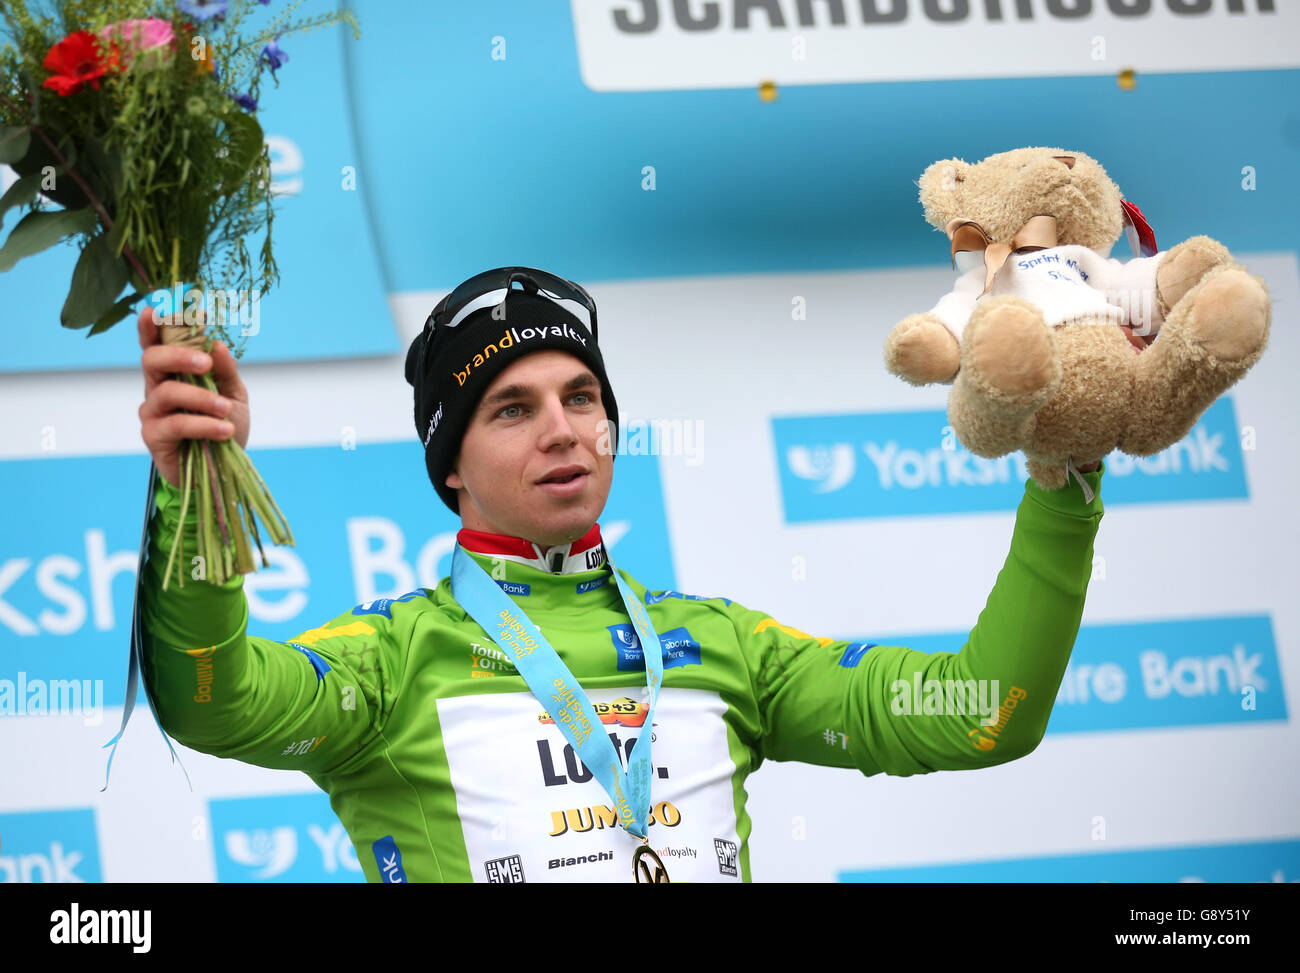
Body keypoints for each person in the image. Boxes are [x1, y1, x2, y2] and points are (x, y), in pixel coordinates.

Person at [135, 267, 1106, 884]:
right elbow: (212, 702)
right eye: (510, 409)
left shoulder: (723, 644)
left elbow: (983, 715)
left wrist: (1061, 480)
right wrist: (198, 497)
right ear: (450, 466)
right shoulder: (393, 660)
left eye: (581, 396)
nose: (561, 427)